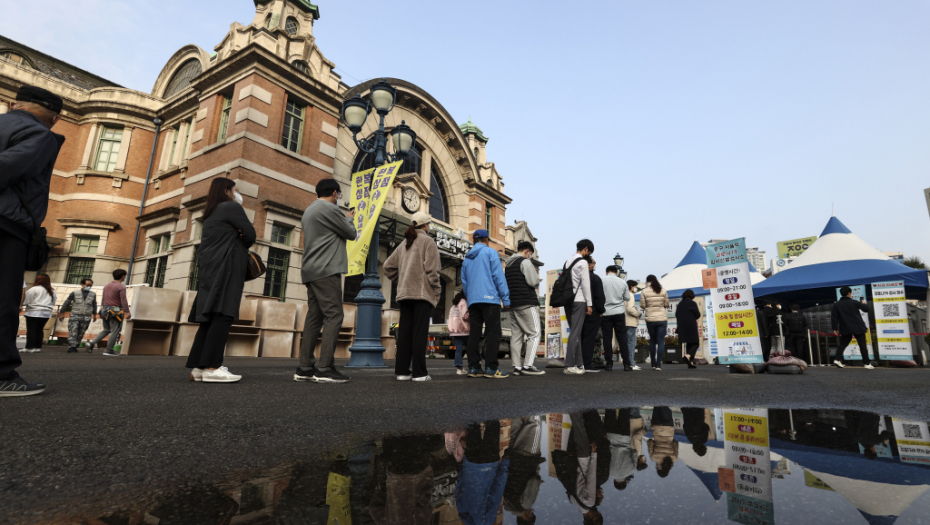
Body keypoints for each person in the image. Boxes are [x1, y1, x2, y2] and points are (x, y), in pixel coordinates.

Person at [0, 86, 65, 396]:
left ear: (14, 104)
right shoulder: (40, 135)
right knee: (3, 298)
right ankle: (2, 373)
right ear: (53, 116)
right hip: (7, 224)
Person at [184, 179, 255, 382]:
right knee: (223, 315)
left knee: (209, 319)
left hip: (210, 270)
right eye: (236, 190)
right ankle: (213, 367)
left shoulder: (212, 212)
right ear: (227, 191)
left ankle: (199, 368)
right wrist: (242, 237)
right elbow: (250, 235)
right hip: (227, 268)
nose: (238, 194)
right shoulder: (231, 207)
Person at [296, 178, 356, 384]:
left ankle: (304, 367)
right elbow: (350, 233)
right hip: (326, 268)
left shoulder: (310, 209)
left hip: (311, 269)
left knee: (314, 316)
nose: (339, 198)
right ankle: (324, 367)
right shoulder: (329, 209)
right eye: (338, 194)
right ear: (334, 193)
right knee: (334, 315)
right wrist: (349, 218)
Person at [384, 211, 441, 382]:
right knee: (419, 334)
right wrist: (436, 290)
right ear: (425, 226)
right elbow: (432, 270)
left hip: (405, 294)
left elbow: (387, 266)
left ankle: (402, 371)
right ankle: (419, 373)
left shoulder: (403, 244)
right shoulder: (428, 241)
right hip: (422, 294)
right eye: (428, 224)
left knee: (405, 333)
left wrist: (401, 279)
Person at [461, 229, 511, 379]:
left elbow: (464, 282)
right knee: (493, 333)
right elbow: (498, 276)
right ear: (486, 240)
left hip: (473, 300)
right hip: (489, 299)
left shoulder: (467, 258)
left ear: (474, 241)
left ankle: (474, 367)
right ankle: (491, 367)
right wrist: (506, 298)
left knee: (474, 333)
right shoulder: (491, 253)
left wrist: (470, 297)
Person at [553, 411, 603, 525]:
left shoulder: (589, 502)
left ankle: (574, 403)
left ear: (594, 518)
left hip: (583, 459)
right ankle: (574, 406)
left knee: (579, 426)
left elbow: (591, 477)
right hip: (572, 461)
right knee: (575, 429)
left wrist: (594, 454)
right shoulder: (573, 502)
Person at [456, 419, 510, 525]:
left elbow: (497, 490)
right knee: (472, 426)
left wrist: (505, 464)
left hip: (489, 464)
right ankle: (473, 405)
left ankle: (489, 404)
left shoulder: (486, 522)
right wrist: (465, 468)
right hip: (471, 463)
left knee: (493, 424)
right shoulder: (462, 513)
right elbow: (459, 487)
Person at [504, 241, 544, 376]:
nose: (530, 257)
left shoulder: (509, 265)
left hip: (513, 303)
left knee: (516, 335)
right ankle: (528, 365)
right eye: (530, 254)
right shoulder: (525, 262)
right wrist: (537, 280)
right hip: (526, 302)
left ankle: (517, 367)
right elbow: (532, 282)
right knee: (535, 333)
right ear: (527, 251)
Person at [503, 416, 546, 524]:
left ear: (527, 516)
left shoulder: (526, 505)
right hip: (512, 459)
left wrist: (538, 482)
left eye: (531, 513)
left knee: (535, 423)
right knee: (516, 422)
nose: (531, 511)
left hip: (527, 458)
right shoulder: (508, 503)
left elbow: (534, 481)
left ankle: (534, 399)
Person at [562, 239, 594, 376]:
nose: (589, 255)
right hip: (579, 300)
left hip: (567, 300)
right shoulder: (583, 262)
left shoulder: (567, 261)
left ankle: (579, 364)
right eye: (590, 252)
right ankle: (569, 365)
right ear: (586, 249)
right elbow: (586, 284)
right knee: (575, 333)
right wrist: (589, 304)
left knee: (576, 332)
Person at [90, 269, 131, 357]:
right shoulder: (121, 287)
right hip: (115, 311)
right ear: (123, 276)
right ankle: (108, 350)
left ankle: (92, 343)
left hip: (104, 309)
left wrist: (101, 311)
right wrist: (127, 311)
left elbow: (103, 298)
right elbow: (123, 300)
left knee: (106, 329)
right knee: (114, 330)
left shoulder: (107, 286)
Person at [831, 285, 874, 369]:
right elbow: (866, 309)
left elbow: (834, 317)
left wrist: (835, 328)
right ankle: (867, 363)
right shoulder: (854, 302)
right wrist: (864, 303)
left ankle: (837, 359)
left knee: (843, 343)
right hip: (858, 326)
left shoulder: (837, 305)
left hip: (845, 327)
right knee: (862, 345)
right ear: (849, 293)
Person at [601, 266, 631, 372]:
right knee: (622, 338)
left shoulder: (602, 281)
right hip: (619, 312)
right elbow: (627, 297)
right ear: (617, 272)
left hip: (605, 313)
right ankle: (627, 364)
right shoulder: (622, 282)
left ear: (606, 272)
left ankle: (609, 363)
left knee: (607, 339)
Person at [59, 278, 98, 353]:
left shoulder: (93, 294)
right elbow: (66, 303)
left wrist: (95, 314)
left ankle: (76, 345)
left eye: (90, 285)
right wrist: (62, 313)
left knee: (81, 332)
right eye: (87, 285)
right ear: (82, 284)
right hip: (75, 315)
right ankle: (72, 346)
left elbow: (94, 305)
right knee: (73, 331)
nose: (89, 287)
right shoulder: (74, 293)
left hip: (86, 316)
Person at [581, 257, 606, 373]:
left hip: (579, 309)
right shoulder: (595, 278)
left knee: (579, 336)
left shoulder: (578, 277)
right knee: (589, 338)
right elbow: (599, 296)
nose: (594, 264)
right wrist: (601, 310)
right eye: (593, 262)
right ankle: (587, 363)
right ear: (589, 265)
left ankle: (578, 362)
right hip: (593, 311)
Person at [21, 274, 56, 354]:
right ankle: (37, 347)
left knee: (31, 330)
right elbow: (53, 302)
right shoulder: (52, 290)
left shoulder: (34, 289)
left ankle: (29, 347)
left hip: (33, 311)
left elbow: (26, 300)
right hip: (46, 312)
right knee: (39, 330)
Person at [640, 275, 669, 371]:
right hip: (662, 318)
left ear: (647, 281)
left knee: (652, 340)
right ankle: (658, 364)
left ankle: (653, 363)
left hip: (650, 319)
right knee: (661, 341)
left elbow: (643, 306)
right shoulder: (663, 290)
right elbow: (666, 304)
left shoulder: (644, 291)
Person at [605, 408, 637, 491]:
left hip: (624, 437)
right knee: (609, 410)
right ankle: (608, 396)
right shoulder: (608, 471)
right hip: (610, 436)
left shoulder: (631, 470)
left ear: (625, 480)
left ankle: (624, 396)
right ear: (614, 481)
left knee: (625, 411)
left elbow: (634, 452)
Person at [647, 406, 678, 478]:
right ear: (658, 468)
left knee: (665, 405)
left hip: (668, 428)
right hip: (656, 427)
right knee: (657, 405)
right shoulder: (653, 458)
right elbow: (650, 442)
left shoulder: (674, 459)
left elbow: (675, 443)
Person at [675, 289, 702, 368]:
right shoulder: (692, 303)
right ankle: (688, 356)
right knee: (696, 343)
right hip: (691, 326)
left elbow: (677, 314)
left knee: (689, 343)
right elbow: (697, 315)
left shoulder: (680, 304)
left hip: (682, 327)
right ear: (692, 296)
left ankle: (691, 363)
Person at [448, 291, 470, 375]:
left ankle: (459, 368)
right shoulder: (463, 302)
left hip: (455, 331)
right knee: (471, 347)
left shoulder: (453, 306)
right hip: (463, 330)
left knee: (459, 349)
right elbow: (465, 315)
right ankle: (475, 364)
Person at [625, 280, 643, 371]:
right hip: (631, 322)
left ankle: (628, 362)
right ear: (632, 287)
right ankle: (632, 363)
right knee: (631, 344)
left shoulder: (623, 295)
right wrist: (638, 314)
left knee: (627, 343)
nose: (636, 288)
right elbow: (630, 309)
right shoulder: (630, 295)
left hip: (624, 321)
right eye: (635, 286)